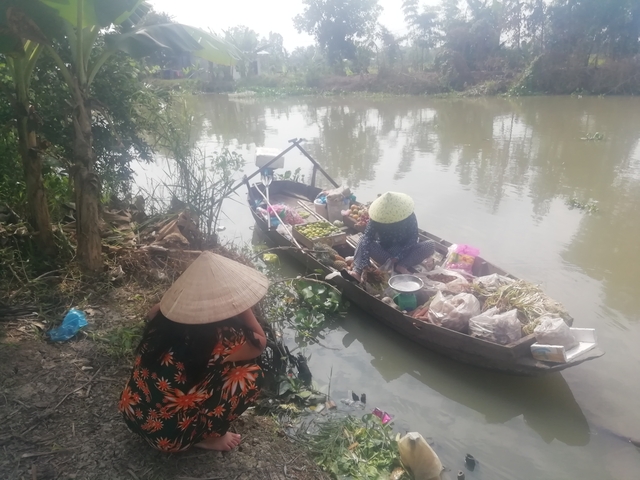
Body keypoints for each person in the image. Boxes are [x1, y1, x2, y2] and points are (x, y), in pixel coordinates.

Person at [118, 251, 269, 453]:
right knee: (252, 376)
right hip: (169, 438)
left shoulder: (160, 314)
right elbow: (260, 343)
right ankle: (206, 438)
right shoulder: (223, 338)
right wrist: (241, 305)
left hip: (131, 412)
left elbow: (156, 310)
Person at [350, 192, 434, 281]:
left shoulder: (409, 215)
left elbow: (413, 238)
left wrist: (399, 256)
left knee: (430, 244)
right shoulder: (377, 218)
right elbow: (367, 237)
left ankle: (402, 266)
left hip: (406, 253)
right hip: (385, 255)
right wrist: (365, 264)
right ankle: (357, 271)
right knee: (362, 239)